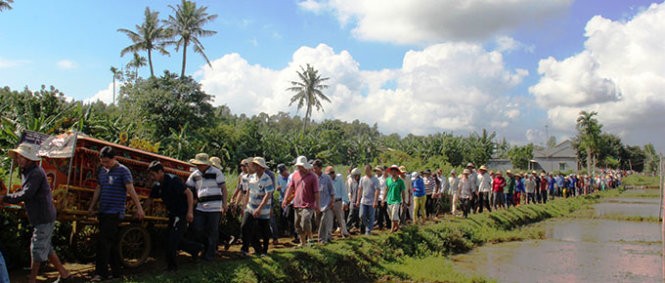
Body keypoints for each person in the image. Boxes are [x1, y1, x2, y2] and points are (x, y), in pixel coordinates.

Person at [1, 143, 71, 283]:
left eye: (22, 157)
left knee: (36, 247)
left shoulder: (36, 173)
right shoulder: (26, 172)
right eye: (18, 157)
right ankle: (65, 275)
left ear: (29, 159)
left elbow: (27, 193)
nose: (19, 159)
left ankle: (32, 280)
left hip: (43, 216)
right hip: (40, 215)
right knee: (46, 247)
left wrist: (6, 198)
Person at [88, 146, 145, 282]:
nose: (104, 164)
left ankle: (100, 274)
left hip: (114, 212)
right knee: (110, 243)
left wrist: (139, 208)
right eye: (102, 162)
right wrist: (92, 206)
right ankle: (117, 273)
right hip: (103, 210)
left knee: (103, 242)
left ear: (114, 159)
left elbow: (130, 190)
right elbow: (99, 188)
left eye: (107, 162)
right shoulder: (102, 171)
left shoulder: (123, 171)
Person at [145, 161, 203, 271]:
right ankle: (196, 248)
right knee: (171, 238)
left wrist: (190, 212)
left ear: (161, 172)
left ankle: (172, 268)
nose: (151, 177)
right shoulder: (157, 186)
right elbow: (150, 199)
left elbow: (189, 193)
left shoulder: (173, 180)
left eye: (153, 174)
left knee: (172, 241)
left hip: (182, 213)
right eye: (150, 174)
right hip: (172, 214)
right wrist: (141, 210)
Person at [186, 153, 227, 261]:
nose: (199, 166)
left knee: (213, 231)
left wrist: (224, 204)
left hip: (215, 207)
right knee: (197, 228)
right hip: (200, 206)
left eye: (201, 164)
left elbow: (223, 188)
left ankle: (209, 255)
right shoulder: (194, 174)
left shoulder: (216, 172)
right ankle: (205, 248)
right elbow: (188, 189)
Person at [282, 156, 319, 246]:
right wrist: (285, 199)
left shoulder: (313, 177)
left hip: (309, 203)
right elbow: (290, 188)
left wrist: (317, 204)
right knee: (297, 225)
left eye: (300, 166)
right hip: (297, 203)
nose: (299, 168)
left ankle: (310, 238)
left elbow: (316, 192)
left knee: (306, 220)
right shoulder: (295, 175)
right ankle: (303, 242)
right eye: (298, 166)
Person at [240, 157, 274, 256]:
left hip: (263, 209)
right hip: (250, 207)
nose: (253, 166)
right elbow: (248, 192)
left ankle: (264, 250)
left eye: (255, 165)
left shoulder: (266, 179)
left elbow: (268, 195)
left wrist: (259, 208)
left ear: (260, 167)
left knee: (264, 229)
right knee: (245, 226)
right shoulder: (251, 177)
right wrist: (244, 206)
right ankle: (245, 249)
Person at [310, 160, 335, 244]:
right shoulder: (312, 178)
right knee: (318, 222)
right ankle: (327, 236)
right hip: (317, 204)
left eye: (315, 168)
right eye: (313, 168)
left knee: (323, 221)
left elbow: (332, 191)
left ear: (320, 168)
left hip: (326, 204)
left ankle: (321, 240)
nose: (314, 169)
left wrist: (332, 201)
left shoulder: (327, 178)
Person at [327, 166, 350, 238]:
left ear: (333, 173)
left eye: (330, 174)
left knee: (340, 218)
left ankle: (344, 233)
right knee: (329, 219)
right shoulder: (327, 180)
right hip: (330, 202)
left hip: (338, 202)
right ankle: (328, 236)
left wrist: (345, 202)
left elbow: (344, 191)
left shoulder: (339, 179)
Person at [357, 165, 379, 236]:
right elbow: (360, 189)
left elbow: (377, 190)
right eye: (365, 170)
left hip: (371, 201)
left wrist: (375, 201)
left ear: (371, 170)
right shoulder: (362, 179)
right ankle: (367, 226)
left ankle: (368, 230)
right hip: (363, 201)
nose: (366, 171)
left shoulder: (375, 179)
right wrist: (358, 200)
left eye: (367, 170)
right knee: (361, 215)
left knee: (371, 216)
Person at [385, 165, 406, 232]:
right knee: (391, 217)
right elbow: (386, 190)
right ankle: (397, 226)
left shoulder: (400, 181)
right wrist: (383, 199)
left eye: (395, 171)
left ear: (397, 172)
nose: (393, 172)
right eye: (392, 171)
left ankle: (392, 230)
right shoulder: (388, 180)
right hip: (389, 200)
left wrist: (404, 201)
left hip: (397, 200)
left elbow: (403, 192)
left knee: (394, 215)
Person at [346, 168, 362, 233]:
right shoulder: (352, 182)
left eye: (357, 175)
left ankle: (357, 227)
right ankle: (347, 227)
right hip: (353, 200)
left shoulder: (361, 182)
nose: (356, 177)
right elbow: (350, 192)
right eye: (355, 175)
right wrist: (351, 200)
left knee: (359, 215)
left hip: (360, 201)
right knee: (351, 214)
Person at [375, 166, 391, 230]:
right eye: (384, 171)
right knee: (380, 213)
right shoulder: (379, 179)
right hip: (380, 197)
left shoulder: (390, 179)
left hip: (388, 198)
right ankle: (380, 226)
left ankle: (388, 226)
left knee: (387, 213)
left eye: (386, 171)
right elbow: (377, 189)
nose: (385, 172)